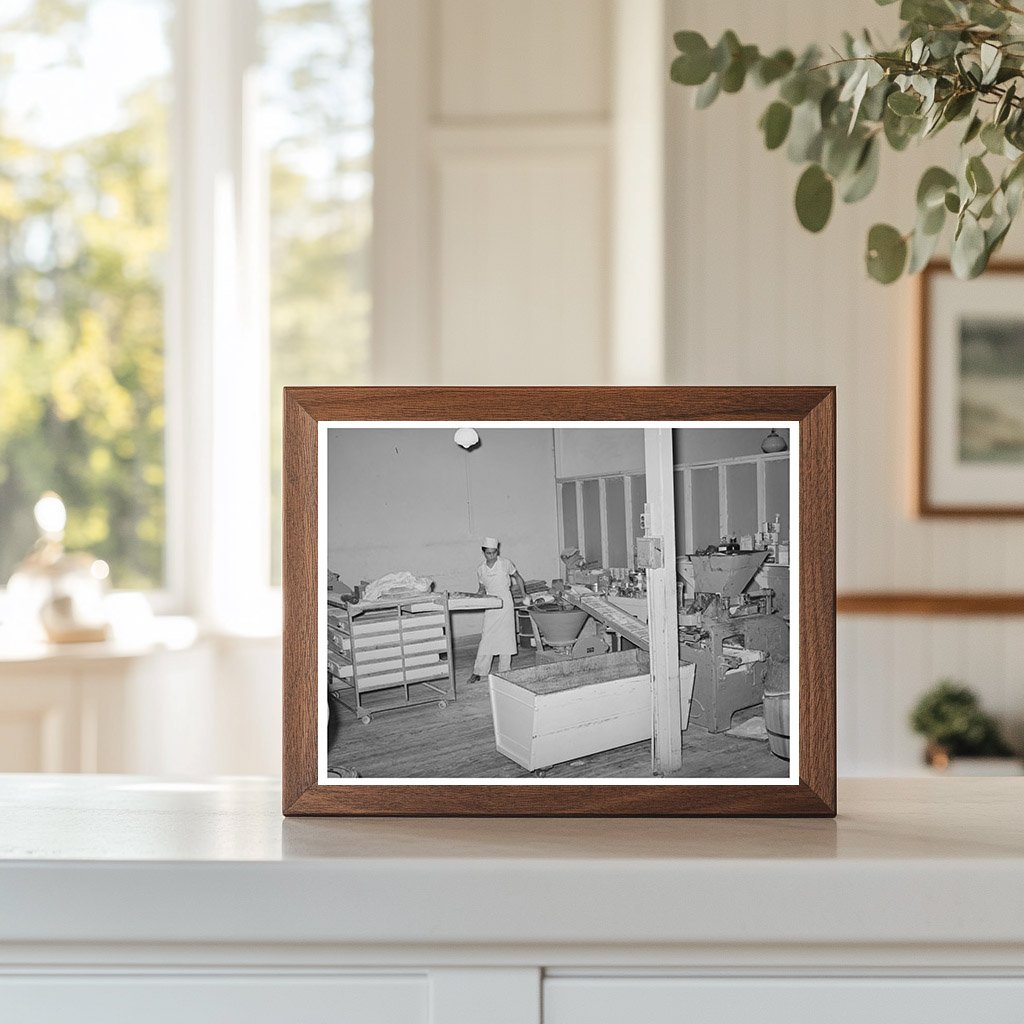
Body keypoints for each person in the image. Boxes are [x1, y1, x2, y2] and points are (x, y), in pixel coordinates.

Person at [467, 536, 525, 684]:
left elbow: (518, 578)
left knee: (506, 636)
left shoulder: (505, 563)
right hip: (490, 601)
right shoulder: (481, 569)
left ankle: (504, 671)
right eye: (488, 553)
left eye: (494, 552)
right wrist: (474, 598)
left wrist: (524, 594)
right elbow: (481, 588)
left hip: (505, 601)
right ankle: (479, 671)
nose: (491, 556)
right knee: (487, 636)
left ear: (497, 551)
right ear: (483, 553)